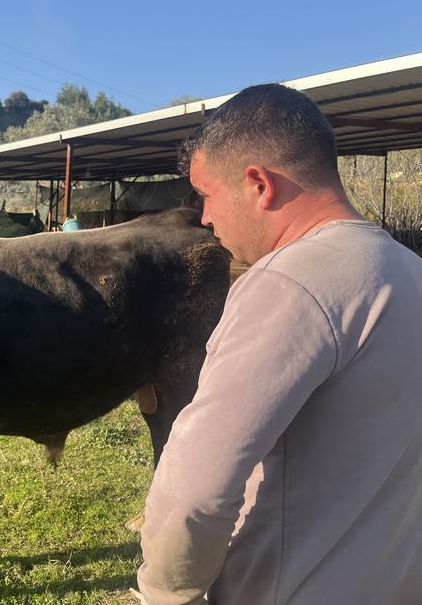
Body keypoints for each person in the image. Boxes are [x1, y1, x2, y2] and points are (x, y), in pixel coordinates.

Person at [135, 84, 422, 605]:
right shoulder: (410, 272)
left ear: (258, 184)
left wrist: (165, 591)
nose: (204, 218)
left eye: (205, 194)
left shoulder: (288, 285)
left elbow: (195, 490)